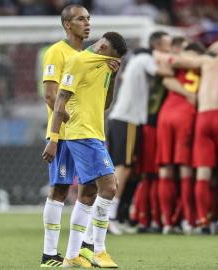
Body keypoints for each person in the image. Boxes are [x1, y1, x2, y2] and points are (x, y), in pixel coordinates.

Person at [42, 32, 127, 268]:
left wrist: (113, 75)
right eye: (111, 57)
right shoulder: (77, 62)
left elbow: (105, 104)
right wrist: (54, 138)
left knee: (88, 192)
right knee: (109, 187)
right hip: (81, 133)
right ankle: (97, 249)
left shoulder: (104, 65)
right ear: (102, 46)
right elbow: (59, 100)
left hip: (96, 133)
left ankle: (72, 255)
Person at [166, 30, 218, 233]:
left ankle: (202, 221)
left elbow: (175, 62)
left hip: (203, 117)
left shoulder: (205, 61)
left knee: (203, 172)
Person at [40, 4, 92, 268]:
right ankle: (49, 254)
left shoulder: (87, 55)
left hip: (86, 134)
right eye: (80, 19)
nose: (87, 23)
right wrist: (57, 133)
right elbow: (50, 95)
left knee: (90, 189)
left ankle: (79, 251)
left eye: (88, 18)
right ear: (67, 25)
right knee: (60, 189)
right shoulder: (56, 52)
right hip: (64, 134)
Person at [106, 31, 173, 233]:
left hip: (121, 118)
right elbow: (166, 73)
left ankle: (112, 214)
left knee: (124, 167)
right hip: (129, 120)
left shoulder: (135, 60)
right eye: (167, 46)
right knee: (123, 167)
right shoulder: (145, 58)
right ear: (157, 47)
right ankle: (109, 216)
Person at [156, 42, 204, 234]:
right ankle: (188, 221)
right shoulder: (203, 65)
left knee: (166, 171)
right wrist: (190, 95)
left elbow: (166, 80)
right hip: (186, 116)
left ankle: (168, 222)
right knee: (186, 172)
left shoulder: (176, 66)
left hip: (165, 115)